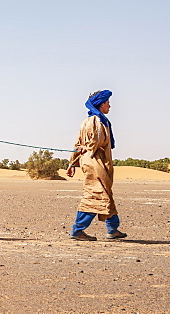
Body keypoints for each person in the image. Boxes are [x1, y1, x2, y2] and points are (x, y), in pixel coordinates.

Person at [66, 90, 126, 241]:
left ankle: (113, 229)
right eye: (107, 103)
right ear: (101, 104)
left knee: (105, 194)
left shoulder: (86, 121)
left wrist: (72, 162)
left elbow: (78, 144)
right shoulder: (96, 121)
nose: (110, 106)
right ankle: (77, 230)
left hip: (91, 160)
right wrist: (89, 148)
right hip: (95, 161)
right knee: (95, 195)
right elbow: (98, 140)